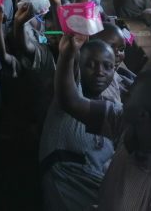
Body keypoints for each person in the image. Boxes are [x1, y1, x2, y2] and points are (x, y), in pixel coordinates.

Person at [54, 32, 151, 211]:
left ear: (142, 115)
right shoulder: (130, 130)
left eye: (129, 96)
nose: (122, 97)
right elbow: (71, 102)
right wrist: (67, 54)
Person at [39, 38, 116, 211]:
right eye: (90, 64)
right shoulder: (67, 99)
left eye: (107, 66)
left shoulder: (108, 108)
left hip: (97, 186)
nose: (100, 72)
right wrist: (68, 54)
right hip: (66, 183)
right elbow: (68, 81)